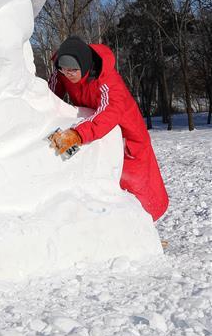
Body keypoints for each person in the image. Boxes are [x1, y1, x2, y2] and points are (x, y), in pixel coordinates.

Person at [48, 35, 169, 221]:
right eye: (63, 70)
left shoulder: (108, 82)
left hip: (129, 140)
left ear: (86, 65)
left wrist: (77, 134)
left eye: (73, 70)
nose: (68, 74)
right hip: (98, 133)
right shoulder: (62, 71)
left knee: (137, 191)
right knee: (104, 188)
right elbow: (50, 95)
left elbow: (107, 115)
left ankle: (144, 233)